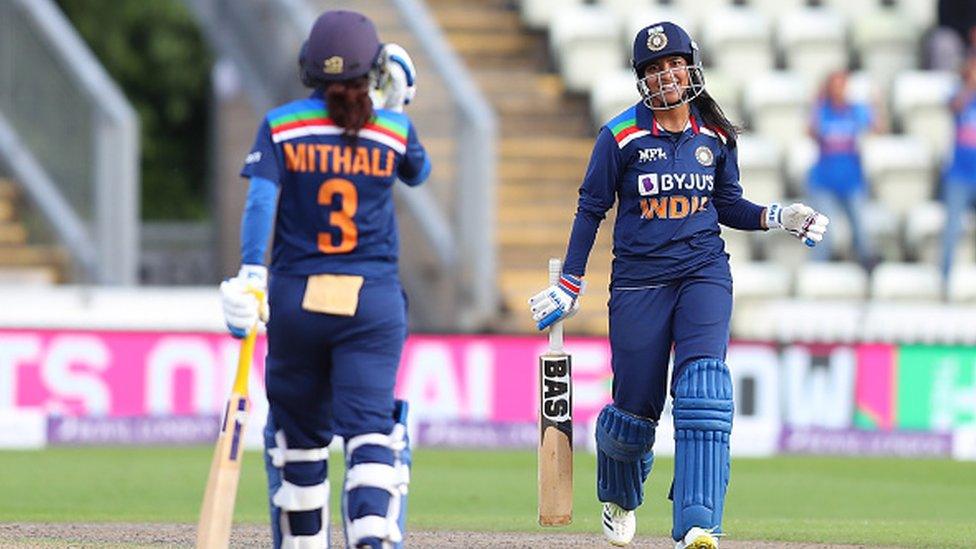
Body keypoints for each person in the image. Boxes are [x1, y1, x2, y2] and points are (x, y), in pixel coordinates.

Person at [528, 22, 828, 549]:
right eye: (654, 68)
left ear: (691, 66)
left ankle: (697, 523)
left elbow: (729, 204)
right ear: (641, 79)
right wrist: (570, 284)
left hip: (703, 273)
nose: (666, 74)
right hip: (639, 286)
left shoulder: (716, 135)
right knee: (634, 417)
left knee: (703, 392)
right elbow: (591, 209)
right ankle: (619, 496)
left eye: (674, 64)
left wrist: (779, 216)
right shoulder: (620, 136)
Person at [219, 10, 429, 549]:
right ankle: (373, 536)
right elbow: (417, 171)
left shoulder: (282, 124)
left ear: (309, 67)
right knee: (371, 432)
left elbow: (262, 200)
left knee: (301, 442)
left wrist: (250, 273)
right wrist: (397, 105)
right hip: (371, 303)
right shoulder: (393, 129)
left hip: (297, 300)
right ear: (372, 69)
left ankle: (304, 541)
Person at [806, 69, 879, 268]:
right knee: (823, 233)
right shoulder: (823, 111)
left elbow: (877, 128)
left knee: (861, 231)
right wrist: (817, 101)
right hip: (824, 181)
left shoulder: (856, 110)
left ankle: (867, 270)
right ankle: (818, 271)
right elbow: (811, 132)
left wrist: (876, 103)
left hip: (852, 180)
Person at [941, 55, 976, 284]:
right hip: (959, 175)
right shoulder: (959, 93)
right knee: (952, 228)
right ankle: (945, 277)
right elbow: (954, 106)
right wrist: (970, 86)